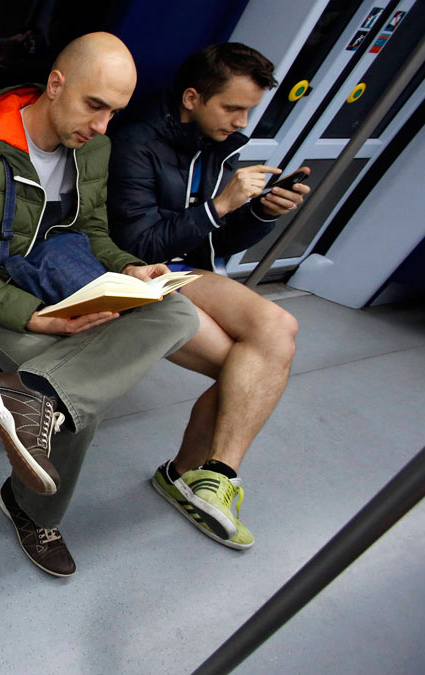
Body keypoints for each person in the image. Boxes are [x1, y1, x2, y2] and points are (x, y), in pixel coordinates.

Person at [0, 32, 199, 577]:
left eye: (114, 113)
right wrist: (36, 318)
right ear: (56, 84)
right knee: (73, 382)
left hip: (59, 276)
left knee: (178, 312)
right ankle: (30, 508)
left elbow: (93, 233)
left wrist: (129, 268)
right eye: (95, 106)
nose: (101, 126)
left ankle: (38, 398)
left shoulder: (92, 147)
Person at [107, 43, 307, 550]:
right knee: (252, 368)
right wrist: (220, 204)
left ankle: (217, 474)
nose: (240, 122)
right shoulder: (135, 142)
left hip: (188, 272)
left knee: (279, 329)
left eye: (248, 111)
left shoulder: (217, 144)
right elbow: (139, 244)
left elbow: (212, 241)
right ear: (193, 97)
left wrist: (260, 213)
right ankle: (182, 477)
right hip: (140, 275)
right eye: (232, 108)